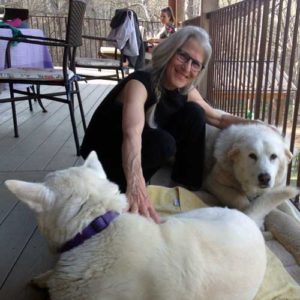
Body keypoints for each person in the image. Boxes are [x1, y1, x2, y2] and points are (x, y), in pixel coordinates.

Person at [80, 26, 254, 223]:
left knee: (196, 113)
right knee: (163, 142)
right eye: (183, 56)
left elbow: (218, 119)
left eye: (195, 63)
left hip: (137, 147)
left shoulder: (184, 90)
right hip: (106, 157)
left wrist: (259, 125)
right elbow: (131, 134)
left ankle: (186, 188)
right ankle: (126, 191)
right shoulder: (140, 83)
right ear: (170, 51)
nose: (187, 68)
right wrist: (136, 185)